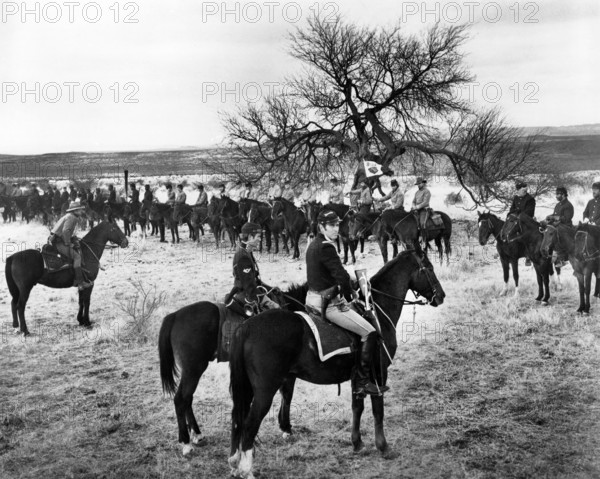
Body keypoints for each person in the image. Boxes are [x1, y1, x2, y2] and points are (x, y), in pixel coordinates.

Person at [305, 209, 388, 397]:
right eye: (332, 225)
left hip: (312, 298)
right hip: (328, 304)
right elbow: (340, 276)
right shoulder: (327, 246)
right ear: (321, 227)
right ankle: (362, 382)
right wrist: (351, 295)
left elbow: (329, 273)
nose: (336, 229)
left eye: (337, 224)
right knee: (369, 332)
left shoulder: (314, 244)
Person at [224, 222, 280, 314]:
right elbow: (249, 286)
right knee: (276, 311)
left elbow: (253, 278)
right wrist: (267, 301)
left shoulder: (246, 250)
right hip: (246, 294)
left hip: (251, 289)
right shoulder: (243, 256)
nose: (260, 239)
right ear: (250, 237)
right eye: (258, 236)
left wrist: (270, 288)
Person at [49, 200, 91, 290]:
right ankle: (80, 282)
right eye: (79, 210)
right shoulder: (71, 217)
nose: (81, 211)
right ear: (74, 211)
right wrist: (68, 243)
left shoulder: (70, 216)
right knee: (77, 257)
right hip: (58, 242)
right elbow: (65, 231)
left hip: (57, 239)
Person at [545, 186, 574, 268]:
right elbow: (555, 215)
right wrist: (549, 216)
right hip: (557, 225)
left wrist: (554, 218)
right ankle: (548, 253)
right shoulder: (558, 204)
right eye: (556, 194)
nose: (556, 196)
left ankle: (561, 258)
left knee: (556, 233)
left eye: (558, 194)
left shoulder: (568, 205)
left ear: (563, 194)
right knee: (546, 230)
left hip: (566, 227)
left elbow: (566, 218)